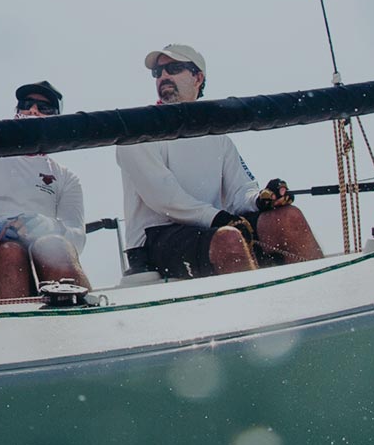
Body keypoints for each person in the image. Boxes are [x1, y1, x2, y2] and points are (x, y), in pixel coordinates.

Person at [117, 44, 323, 281]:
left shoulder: (218, 137)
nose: (163, 76)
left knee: (288, 218)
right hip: (153, 241)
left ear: (198, 78)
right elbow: (164, 198)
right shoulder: (139, 129)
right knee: (229, 239)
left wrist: (262, 199)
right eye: (157, 72)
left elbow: (240, 191)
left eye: (173, 69)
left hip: (211, 228)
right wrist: (218, 219)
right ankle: (260, 304)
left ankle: (323, 295)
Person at [0, 81, 91, 300]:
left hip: (40, 258)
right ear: (17, 110)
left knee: (55, 247)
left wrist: (51, 227)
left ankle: (82, 315)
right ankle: (12, 321)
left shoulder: (66, 178)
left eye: (44, 108)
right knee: (11, 252)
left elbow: (77, 239)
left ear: (57, 120)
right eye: (26, 104)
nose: (33, 110)